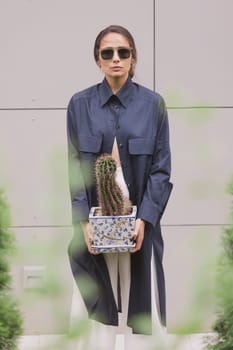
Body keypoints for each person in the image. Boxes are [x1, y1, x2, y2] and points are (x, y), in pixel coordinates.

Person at [67, 25, 173, 350]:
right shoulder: (79, 105)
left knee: (142, 307)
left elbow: (161, 169)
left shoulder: (153, 105)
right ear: (98, 59)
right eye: (107, 53)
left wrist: (145, 221)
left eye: (123, 52)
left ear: (133, 57)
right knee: (94, 307)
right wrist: (84, 222)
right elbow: (74, 167)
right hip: (94, 229)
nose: (116, 59)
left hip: (139, 228)